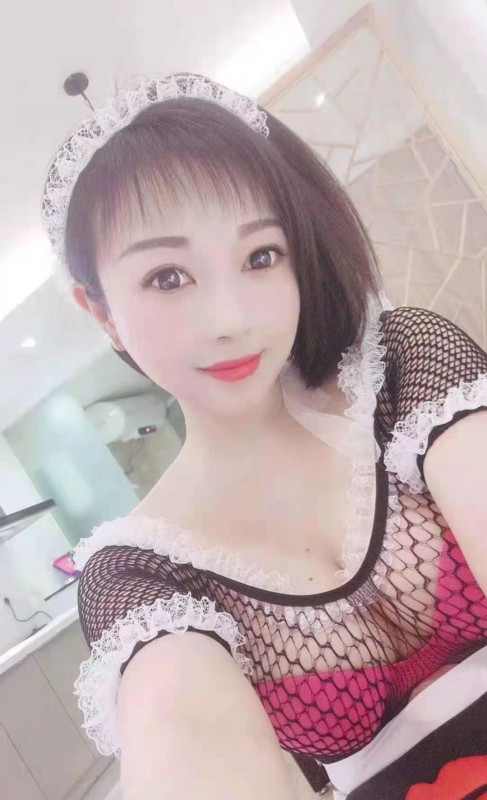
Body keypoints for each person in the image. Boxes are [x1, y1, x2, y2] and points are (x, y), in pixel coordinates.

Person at [41, 73, 487, 800]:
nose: (230, 319)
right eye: (167, 277)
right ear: (101, 312)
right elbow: (185, 731)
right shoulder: (142, 575)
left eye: (260, 257)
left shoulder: (403, 371)